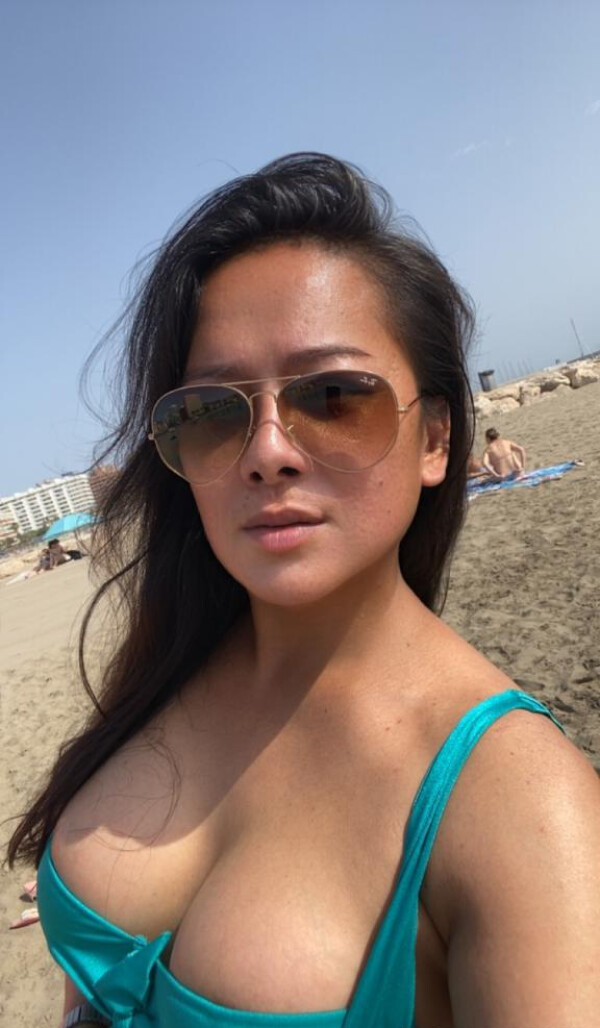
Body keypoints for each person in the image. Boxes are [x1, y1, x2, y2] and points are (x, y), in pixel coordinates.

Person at [8, 154, 600, 1028]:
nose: (267, 452)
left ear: (436, 439)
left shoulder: (520, 807)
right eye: (211, 411)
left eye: (332, 395)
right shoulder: (163, 671)